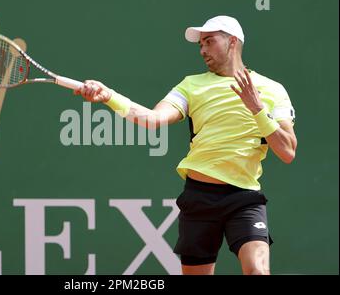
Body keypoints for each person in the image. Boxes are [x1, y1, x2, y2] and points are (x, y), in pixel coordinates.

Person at [74, 15, 297, 275]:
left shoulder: (272, 89)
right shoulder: (191, 85)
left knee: (258, 271)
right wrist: (109, 96)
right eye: (200, 44)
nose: (203, 50)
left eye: (209, 41)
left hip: (245, 199)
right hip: (199, 197)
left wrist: (257, 108)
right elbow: (152, 119)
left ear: (232, 42)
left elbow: (288, 151)